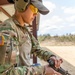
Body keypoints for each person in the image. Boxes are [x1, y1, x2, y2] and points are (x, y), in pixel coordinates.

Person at [0, 0, 63, 75]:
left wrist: (50, 57)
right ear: (22, 5)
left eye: (37, 11)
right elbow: (5, 72)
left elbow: (36, 48)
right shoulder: (8, 28)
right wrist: (42, 70)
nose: (36, 14)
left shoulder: (25, 30)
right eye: (34, 9)